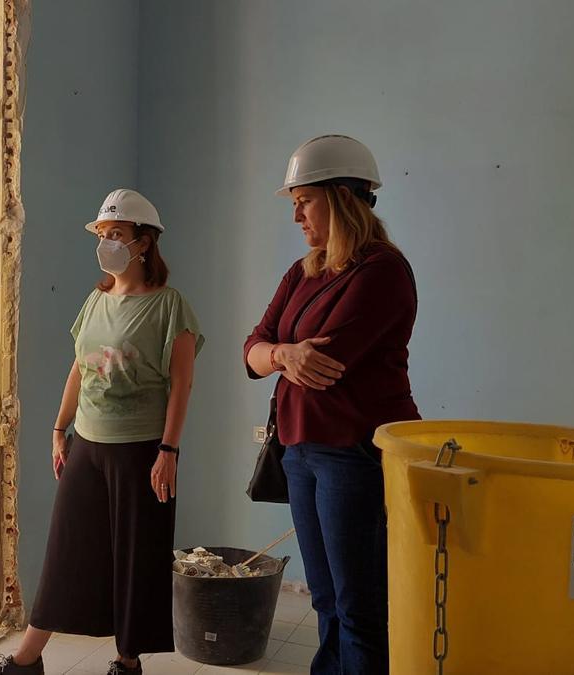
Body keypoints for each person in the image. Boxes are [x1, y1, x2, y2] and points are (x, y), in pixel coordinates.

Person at [0, 189, 203, 675]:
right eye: (102, 235)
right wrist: (59, 428)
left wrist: (169, 450)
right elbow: (80, 368)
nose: (106, 243)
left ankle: (127, 663)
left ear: (143, 243)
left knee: (134, 559)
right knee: (65, 551)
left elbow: (182, 384)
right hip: (88, 442)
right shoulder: (95, 299)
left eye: (116, 235)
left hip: (142, 451)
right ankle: (27, 660)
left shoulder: (171, 307)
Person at [243, 135, 419, 674]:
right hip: (300, 451)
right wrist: (281, 353)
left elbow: (327, 362)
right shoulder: (303, 271)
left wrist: (280, 354)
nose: (296, 214)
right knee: (325, 600)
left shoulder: (384, 270)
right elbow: (251, 351)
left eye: (305, 200)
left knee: (360, 607)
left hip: (355, 454)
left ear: (342, 197)